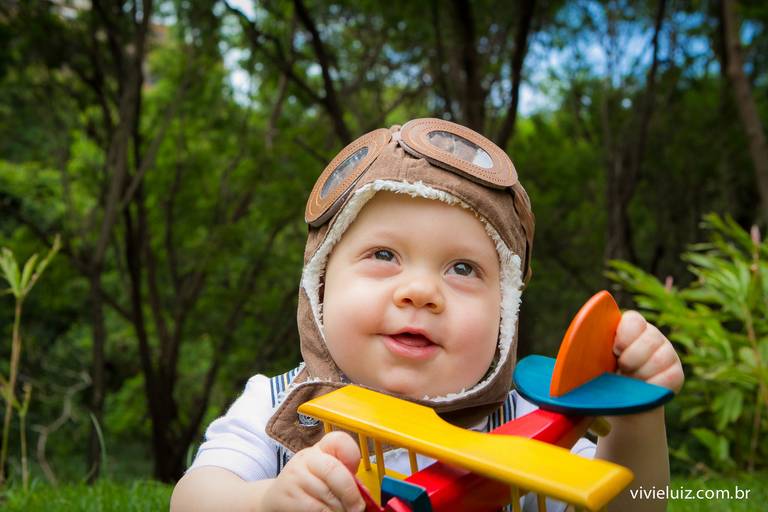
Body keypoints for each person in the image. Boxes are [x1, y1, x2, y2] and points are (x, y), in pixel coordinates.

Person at [170, 119, 684, 512]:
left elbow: (632, 504)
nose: (420, 292)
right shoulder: (277, 404)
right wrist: (263, 502)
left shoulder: (522, 424)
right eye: (384, 256)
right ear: (320, 285)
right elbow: (193, 496)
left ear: (505, 317)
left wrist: (636, 418)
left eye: (462, 268)